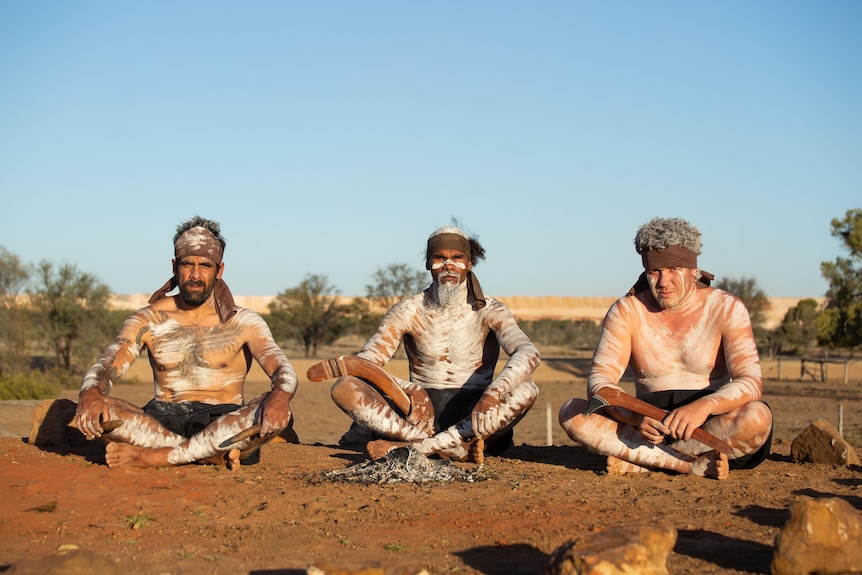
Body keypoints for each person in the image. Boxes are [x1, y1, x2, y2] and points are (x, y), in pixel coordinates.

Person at [75, 216, 298, 469]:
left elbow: (282, 369)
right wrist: (91, 393)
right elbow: (107, 365)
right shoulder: (148, 319)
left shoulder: (244, 321)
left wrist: (280, 396)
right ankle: (207, 455)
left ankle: (156, 457)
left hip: (223, 420)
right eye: (187, 264)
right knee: (102, 409)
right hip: (161, 420)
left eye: (204, 265)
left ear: (219, 270)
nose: (195, 274)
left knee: (270, 406)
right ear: (174, 266)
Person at [559, 217, 772, 480]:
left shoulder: (727, 308)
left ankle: (643, 462)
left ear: (693, 270)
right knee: (573, 412)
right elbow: (600, 383)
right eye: (655, 272)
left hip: (710, 426)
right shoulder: (627, 311)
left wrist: (704, 407)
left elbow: (750, 382)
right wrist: (637, 417)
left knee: (758, 416)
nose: (663, 281)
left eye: (673, 269)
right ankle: (687, 465)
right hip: (647, 429)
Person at [330, 225, 540, 462]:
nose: (448, 265)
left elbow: (528, 352)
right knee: (345, 387)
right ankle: (449, 448)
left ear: (469, 264)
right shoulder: (407, 310)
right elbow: (364, 365)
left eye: (457, 258)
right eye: (440, 258)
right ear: (429, 263)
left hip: (476, 411)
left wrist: (493, 392)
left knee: (527, 388)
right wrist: (410, 389)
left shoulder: (490, 310)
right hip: (418, 416)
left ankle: (419, 447)